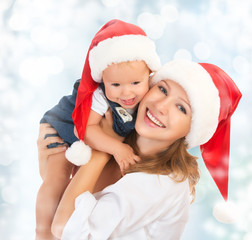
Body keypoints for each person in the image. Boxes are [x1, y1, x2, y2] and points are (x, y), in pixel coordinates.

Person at [47, 59, 241, 239]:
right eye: (163, 89)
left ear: (191, 129)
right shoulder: (124, 142)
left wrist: (102, 150)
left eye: (181, 108)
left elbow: (64, 229)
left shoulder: (162, 182)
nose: (161, 106)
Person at [35, 19, 161, 240]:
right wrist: (116, 148)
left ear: (149, 75)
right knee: (57, 175)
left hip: (94, 145)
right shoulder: (100, 98)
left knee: (71, 186)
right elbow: (89, 130)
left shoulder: (152, 98)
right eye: (116, 85)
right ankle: (42, 233)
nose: (126, 93)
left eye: (135, 83)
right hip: (65, 124)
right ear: (102, 80)